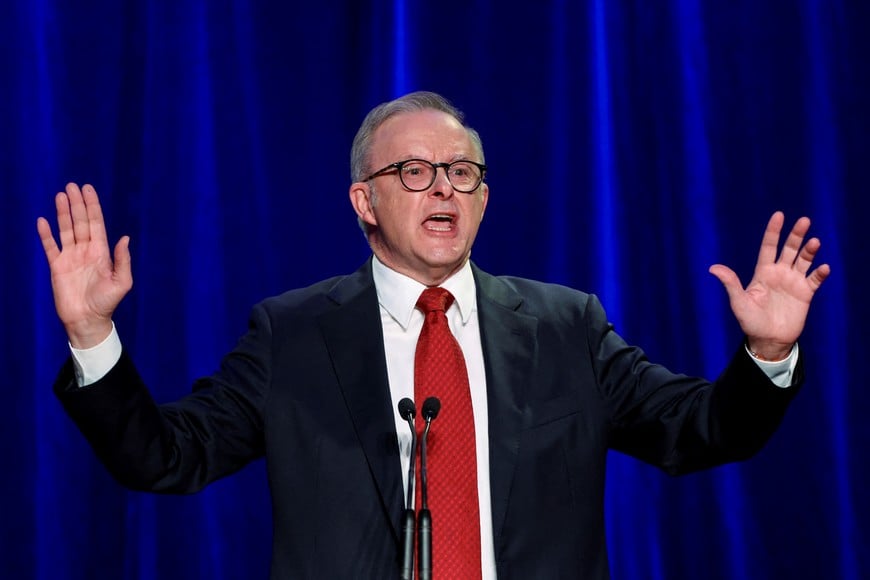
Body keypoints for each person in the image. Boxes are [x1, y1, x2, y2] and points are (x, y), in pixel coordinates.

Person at [37, 91, 830, 579]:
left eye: (462, 172)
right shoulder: (293, 335)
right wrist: (92, 332)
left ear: (482, 199)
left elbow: (698, 432)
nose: (444, 187)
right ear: (365, 202)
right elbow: (165, 457)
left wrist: (766, 355)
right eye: (413, 172)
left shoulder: (567, 327)